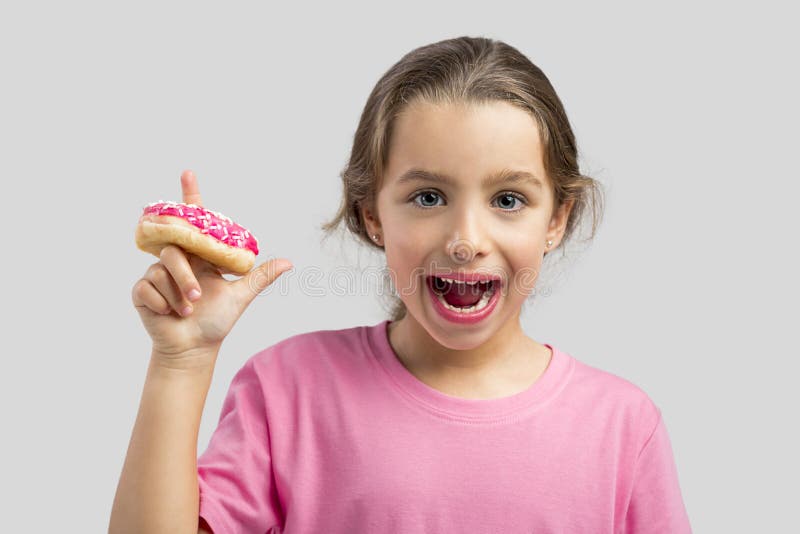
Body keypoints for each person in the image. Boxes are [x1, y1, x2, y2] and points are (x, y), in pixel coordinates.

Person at [110, 35, 692, 533]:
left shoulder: (623, 426)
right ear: (372, 214)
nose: (466, 239)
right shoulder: (287, 390)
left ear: (556, 219)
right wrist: (180, 363)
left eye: (508, 200)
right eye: (428, 197)